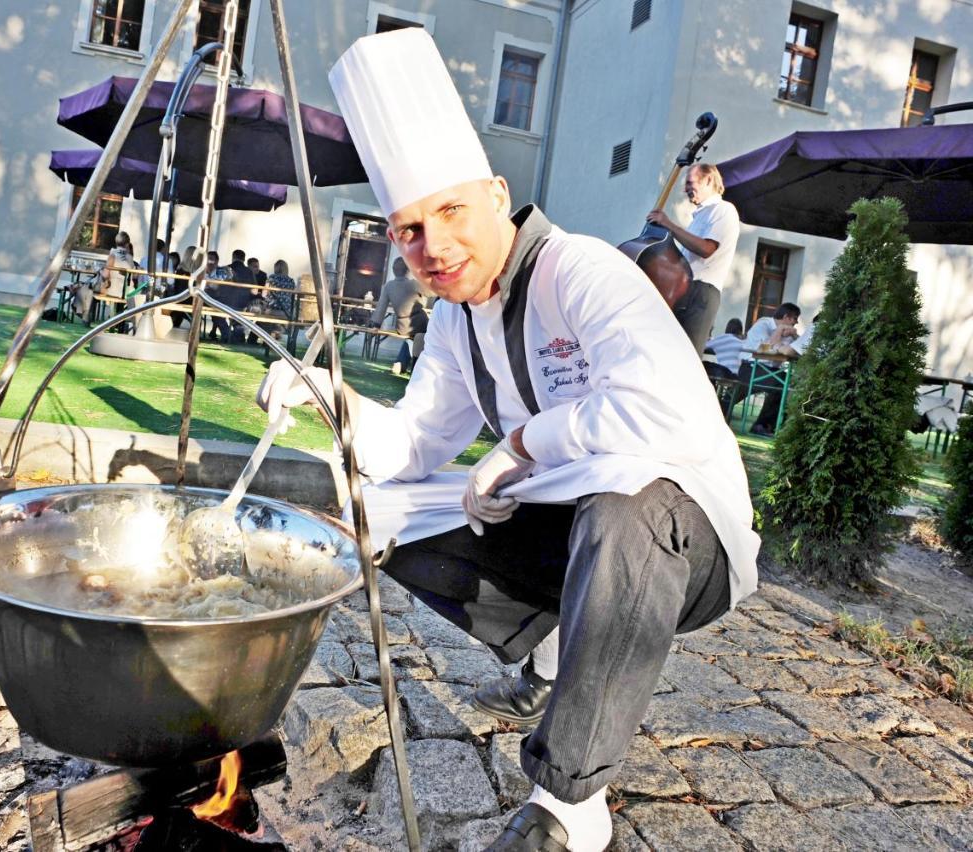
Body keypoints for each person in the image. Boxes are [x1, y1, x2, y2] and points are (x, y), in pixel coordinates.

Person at [257, 29, 758, 852]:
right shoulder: (456, 322)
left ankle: (569, 804)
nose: (435, 246)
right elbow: (413, 447)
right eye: (410, 229)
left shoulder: (585, 270)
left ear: (496, 194)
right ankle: (561, 644)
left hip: (684, 542)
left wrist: (524, 441)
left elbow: (667, 409)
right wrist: (331, 399)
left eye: (450, 211)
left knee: (624, 510)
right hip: (574, 538)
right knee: (371, 514)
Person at [645, 163, 740, 355]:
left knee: (686, 358)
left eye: (690, 182)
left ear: (708, 180)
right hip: (686, 291)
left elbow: (706, 249)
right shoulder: (700, 217)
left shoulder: (723, 209)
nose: (685, 189)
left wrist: (668, 224)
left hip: (702, 292)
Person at [736, 303, 801, 437]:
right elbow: (765, 349)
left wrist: (794, 337)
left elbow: (797, 351)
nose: (796, 322)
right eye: (795, 318)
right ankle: (761, 426)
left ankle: (768, 425)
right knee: (781, 384)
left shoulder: (788, 333)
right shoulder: (763, 324)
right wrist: (779, 332)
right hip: (751, 368)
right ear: (786, 317)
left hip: (769, 371)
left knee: (791, 382)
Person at [369, 256, 423, 373]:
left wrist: (376, 325)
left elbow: (381, 308)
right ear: (408, 270)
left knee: (413, 338)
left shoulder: (389, 286)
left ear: (393, 270)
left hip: (403, 326)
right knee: (426, 335)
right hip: (420, 324)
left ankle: (401, 363)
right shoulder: (414, 284)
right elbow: (431, 292)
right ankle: (412, 365)